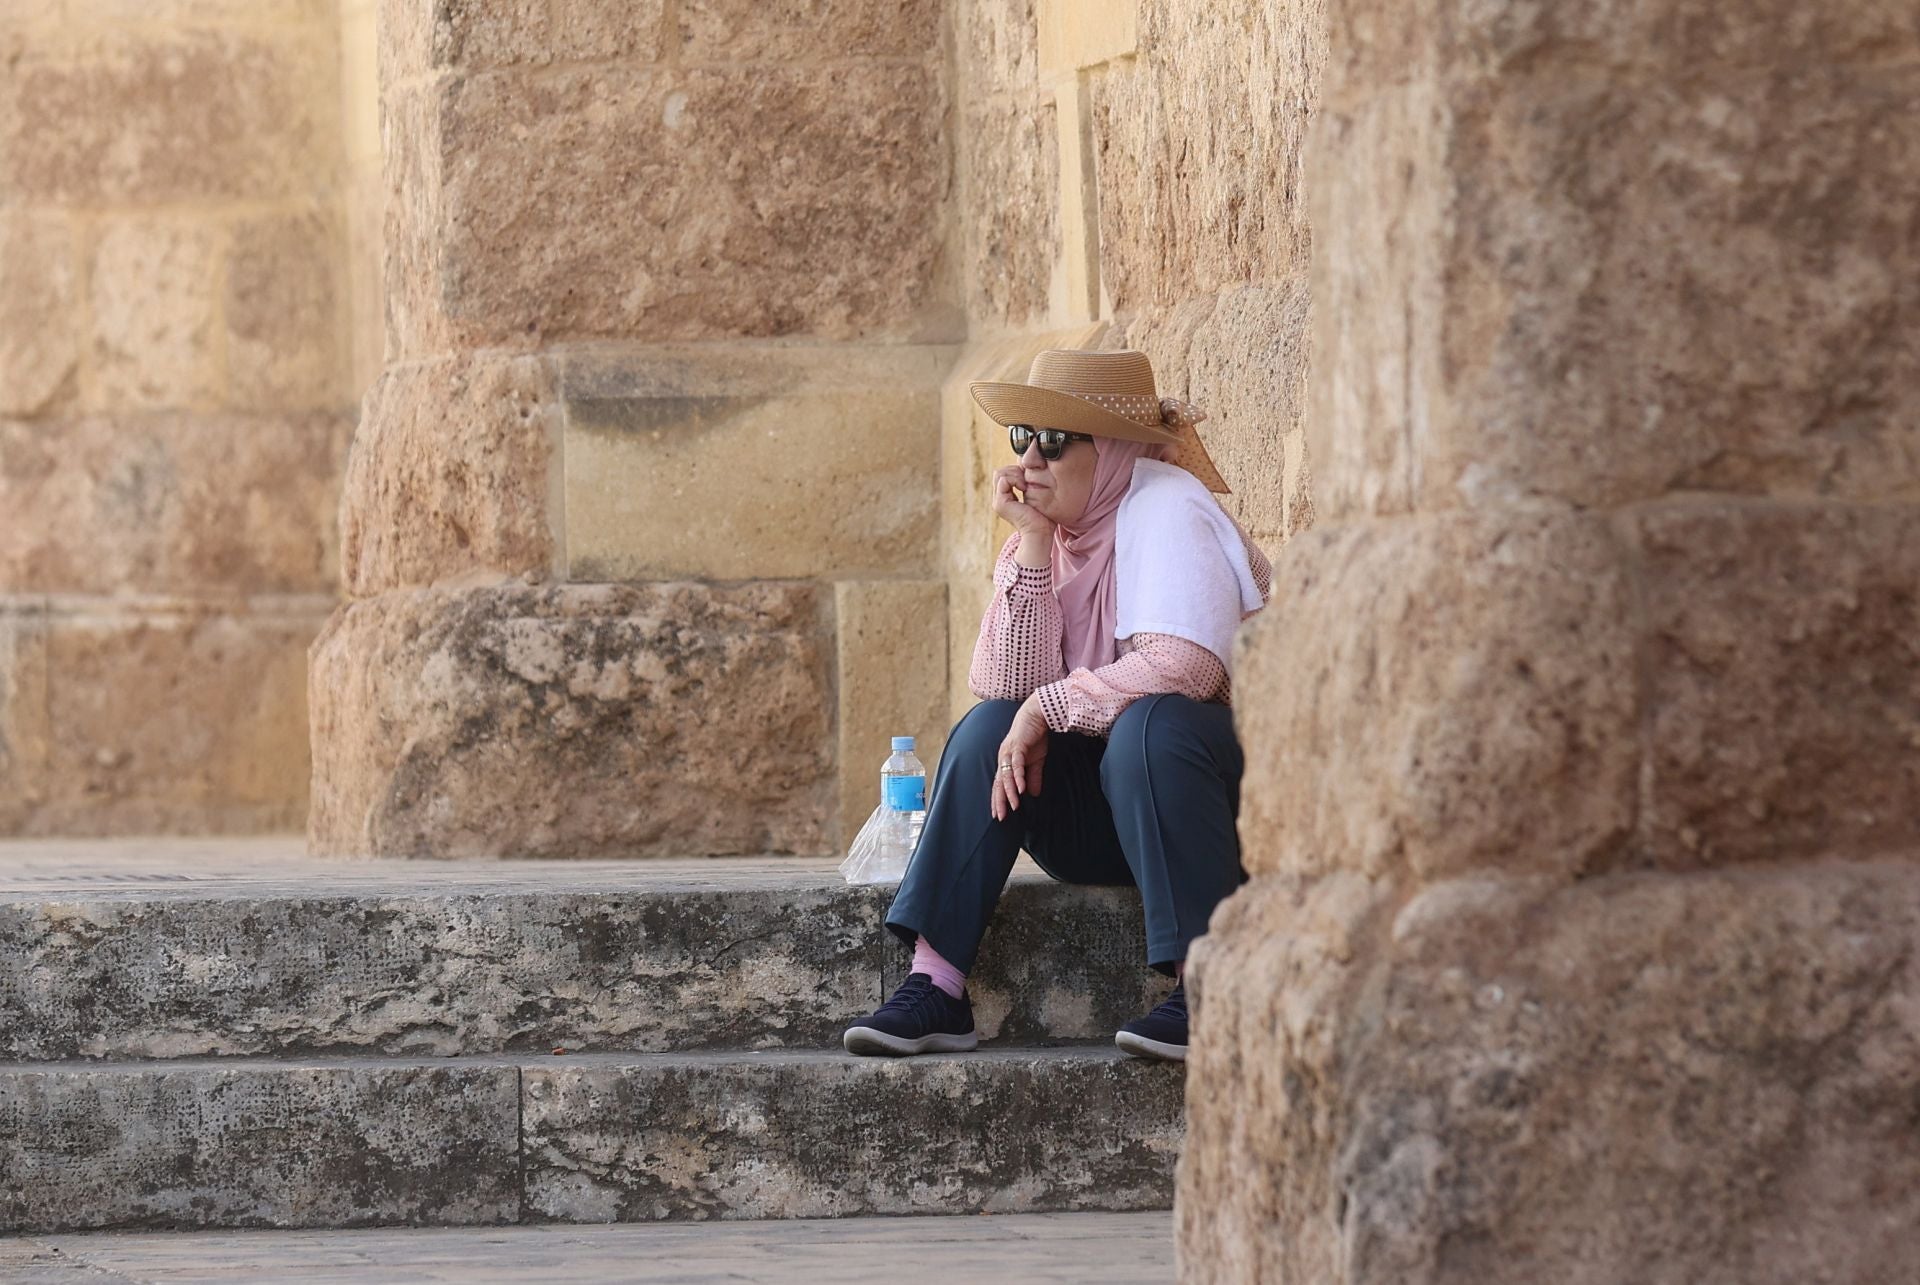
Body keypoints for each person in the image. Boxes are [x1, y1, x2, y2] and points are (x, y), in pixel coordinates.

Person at [841, 348, 1272, 1063]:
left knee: (1153, 724)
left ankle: (1209, 987)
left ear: (1113, 452)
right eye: (1022, 437)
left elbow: (1187, 668)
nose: (1031, 459)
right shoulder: (1049, 539)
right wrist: (1033, 545)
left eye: (1055, 440)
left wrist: (1050, 707)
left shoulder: (1167, 505)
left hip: (1218, 812)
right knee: (986, 730)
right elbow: (1007, 687)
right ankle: (938, 981)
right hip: (1117, 815)